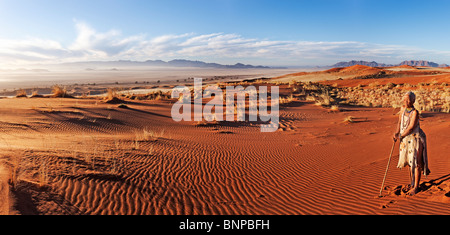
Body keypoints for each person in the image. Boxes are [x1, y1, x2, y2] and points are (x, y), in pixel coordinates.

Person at [393, 91, 430, 195]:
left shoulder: (415, 112)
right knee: (410, 163)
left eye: (408, 99)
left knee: (417, 163)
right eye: (405, 99)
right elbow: (399, 123)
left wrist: (400, 135)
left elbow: (411, 128)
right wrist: (396, 133)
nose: (406, 101)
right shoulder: (402, 109)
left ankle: (416, 187)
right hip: (405, 140)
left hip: (415, 139)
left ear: (413, 101)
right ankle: (412, 182)